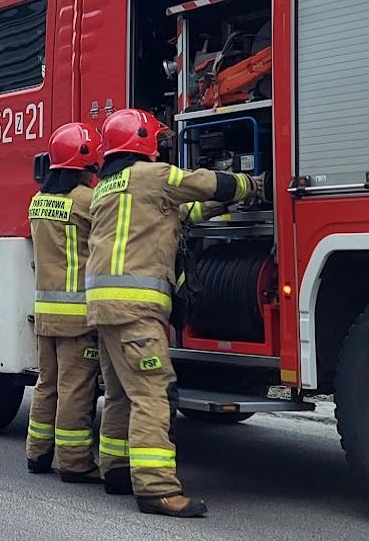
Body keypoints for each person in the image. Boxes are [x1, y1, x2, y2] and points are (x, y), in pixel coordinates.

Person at [85, 108, 257, 518]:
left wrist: (213, 210)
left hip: (104, 309)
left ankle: (117, 469)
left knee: (121, 394)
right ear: (142, 143)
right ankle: (157, 489)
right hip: (137, 309)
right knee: (153, 393)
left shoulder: (105, 188)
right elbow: (202, 184)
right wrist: (249, 184)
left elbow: (181, 212)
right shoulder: (154, 177)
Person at [24, 122, 103, 483]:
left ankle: (37, 453)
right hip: (77, 317)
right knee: (76, 389)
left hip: (46, 315)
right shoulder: (87, 202)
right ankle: (74, 462)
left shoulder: (38, 202)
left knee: (47, 384)